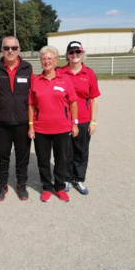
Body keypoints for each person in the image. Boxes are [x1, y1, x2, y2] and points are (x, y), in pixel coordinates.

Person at [28, 46, 78, 203]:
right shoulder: (36, 81)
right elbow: (31, 105)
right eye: (43, 58)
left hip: (62, 128)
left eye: (50, 58)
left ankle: (59, 187)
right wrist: (31, 125)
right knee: (43, 160)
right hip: (41, 128)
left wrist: (74, 123)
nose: (46, 61)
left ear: (56, 60)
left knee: (61, 159)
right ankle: (47, 187)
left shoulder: (65, 80)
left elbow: (73, 103)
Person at [0, 36, 33, 201]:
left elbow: (34, 95)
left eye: (13, 48)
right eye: (7, 48)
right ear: (2, 50)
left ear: (19, 49)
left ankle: (21, 184)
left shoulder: (28, 68)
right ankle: (2, 184)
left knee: (23, 155)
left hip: (22, 121)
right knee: (2, 155)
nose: (10, 51)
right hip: (2, 122)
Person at [59, 41, 101, 195]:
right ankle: (67, 179)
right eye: (72, 52)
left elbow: (94, 98)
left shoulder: (89, 73)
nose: (75, 55)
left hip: (83, 119)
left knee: (81, 151)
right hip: (64, 119)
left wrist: (93, 121)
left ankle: (79, 179)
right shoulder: (60, 72)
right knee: (66, 151)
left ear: (82, 54)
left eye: (78, 52)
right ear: (67, 55)